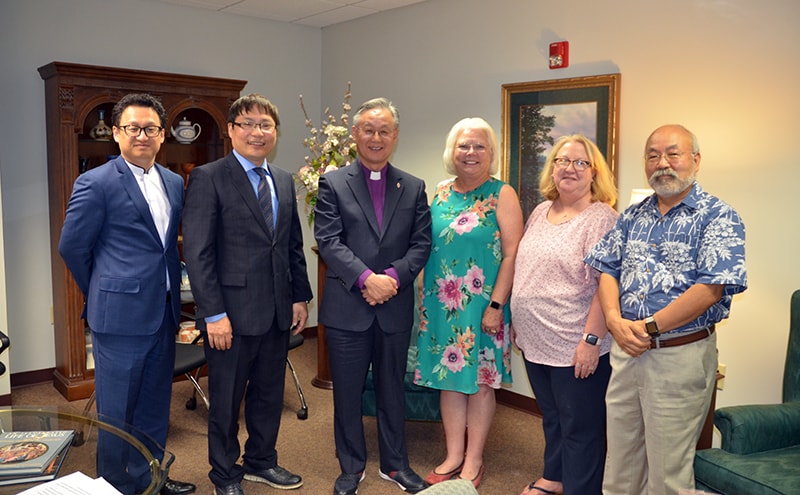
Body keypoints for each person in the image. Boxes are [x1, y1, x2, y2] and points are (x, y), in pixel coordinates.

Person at [585, 124, 747, 495]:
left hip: (679, 355)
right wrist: (613, 320)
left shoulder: (718, 215)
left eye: (673, 153)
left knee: (667, 474)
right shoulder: (632, 216)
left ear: (695, 160)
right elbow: (608, 268)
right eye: (653, 155)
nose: (663, 163)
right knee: (621, 463)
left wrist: (650, 327)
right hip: (627, 352)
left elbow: (710, 288)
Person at [59, 93, 196, 495]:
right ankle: (116, 487)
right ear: (116, 133)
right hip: (118, 317)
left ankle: (152, 478)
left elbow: (167, 246)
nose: (142, 136)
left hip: (164, 312)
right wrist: (103, 289)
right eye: (133, 128)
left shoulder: (173, 181)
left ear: (162, 134)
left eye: (150, 128)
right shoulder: (95, 182)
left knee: (154, 407)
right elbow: (73, 248)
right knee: (117, 413)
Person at [182, 94, 313, 495]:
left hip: (276, 309)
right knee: (225, 401)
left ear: (275, 132)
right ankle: (223, 473)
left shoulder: (284, 179)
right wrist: (213, 313)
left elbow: (291, 245)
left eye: (265, 125)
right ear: (231, 130)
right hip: (231, 316)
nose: (257, 132)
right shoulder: (209, 177)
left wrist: (299, 297)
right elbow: (198, 252)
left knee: (270, 393)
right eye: (248, 124)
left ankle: (261, 460)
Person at [314, 97, 432, 495]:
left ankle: (396, 465)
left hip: (394, 306)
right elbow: (328, 241)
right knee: (346, 392)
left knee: (391, 389)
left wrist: (392, 278)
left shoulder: (413, 186)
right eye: (369, 129)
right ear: (355, 135)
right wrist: (367, 278)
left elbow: (421, 243)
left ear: (395, 136)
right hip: (349, 306)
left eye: (384, 131)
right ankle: (351, 466)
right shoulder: (332, 182)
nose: (376, 137)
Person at [414, 117, 524, 489]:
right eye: (464, 146)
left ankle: (474, 459)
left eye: (479, 146)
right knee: (449, 379)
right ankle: (453, 454)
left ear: (491, 153)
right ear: (452, 152)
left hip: (483, 306)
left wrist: (496, 305)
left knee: (480, 382)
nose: (471, 152)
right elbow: (428, 244)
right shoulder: (442, 192)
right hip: (442, 304)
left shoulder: (501, 193)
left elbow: (512, 255)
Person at [510, 135, 617, 495]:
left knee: (581, 426)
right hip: (536, 339)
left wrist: (591, 340)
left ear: (594, 172)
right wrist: (517, 318)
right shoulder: (542, 210)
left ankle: (581, 489)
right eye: (561, 160)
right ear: (552, 167)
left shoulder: (600, 218)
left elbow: (607, 287)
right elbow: (528, 268)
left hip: (575, 341)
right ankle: (554, 477)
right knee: (553, 417)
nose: (569, 168)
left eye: (579, 162)